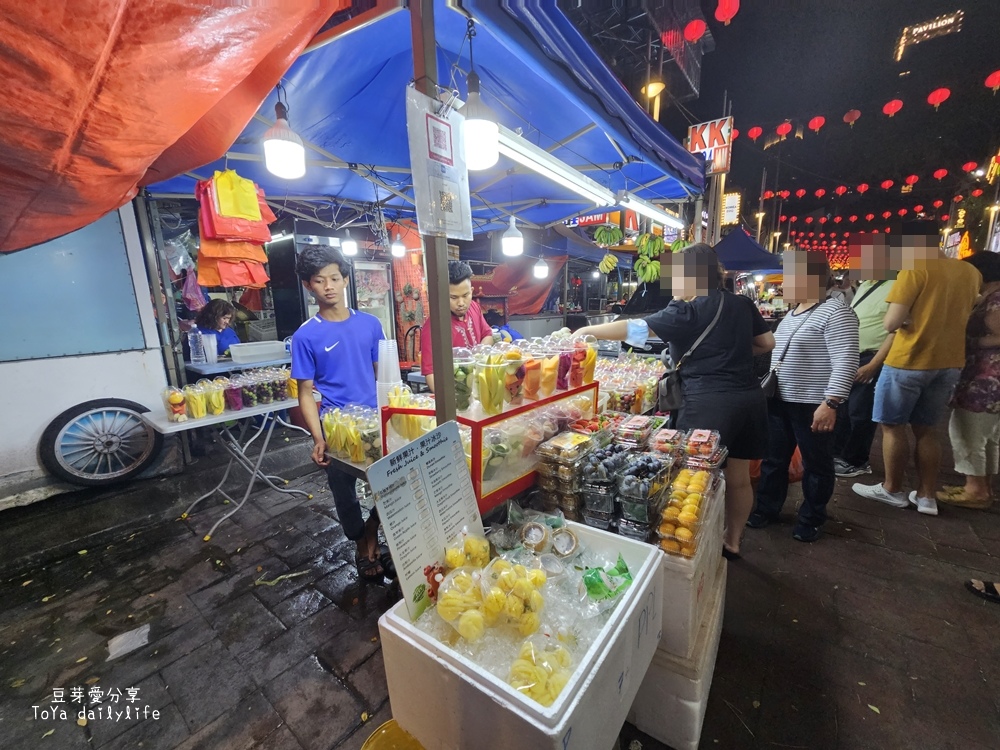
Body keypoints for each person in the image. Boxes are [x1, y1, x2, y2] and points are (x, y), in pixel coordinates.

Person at [576, 243, 776, 559]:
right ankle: (733, 541)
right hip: (750, 401)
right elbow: (767, 343)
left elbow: (636, 329)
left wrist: (589, 330)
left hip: (708, 405)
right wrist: (730, 354)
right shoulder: (741, 304)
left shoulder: (688, 310)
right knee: (738, 479)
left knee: (691, 481)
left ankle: (689, 548)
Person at [853, 231, 982, 516]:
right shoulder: (969, 271)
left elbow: (891, 323)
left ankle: (891, 489)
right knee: (927, 430)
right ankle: (926, 497)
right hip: (948, 362)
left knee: (892, 426)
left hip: (908, 361)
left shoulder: (913, 271)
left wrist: (908, 315)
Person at [291, 246, 391, 581]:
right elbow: (305, 393)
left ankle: (374, 528)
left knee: (390, 483)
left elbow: (385, 378)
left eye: (335, 278)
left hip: (376, 425)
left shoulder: (371, 325)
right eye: (320, 281)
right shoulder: (306, 335)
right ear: (309, 286)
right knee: (343, 492)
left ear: (346, 279)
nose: (329, 286)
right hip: (337, 430)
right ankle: (360, 539)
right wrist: (318, 437)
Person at [747, 251, 859, 543]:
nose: (783, 283)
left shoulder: (837, 312)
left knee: (816, 464)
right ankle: (767, 508)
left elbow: (846, 360)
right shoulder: (792, 314)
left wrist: (831, 403)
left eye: (790, 277)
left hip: (813, 404)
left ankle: (812, 517)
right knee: (774, 459)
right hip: (779, 400)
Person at [936, 252, 1000, 509]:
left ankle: (975, 490)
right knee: (988, 434)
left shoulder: (995, 301)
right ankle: (982, 488)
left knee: (968, 431)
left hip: (986, 380)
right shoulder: (990, 298)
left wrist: (970, 342)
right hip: (987, 379)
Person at [833, 238, 897, 477]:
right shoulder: (867, 285)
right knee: (844, 408)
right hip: (852, 355)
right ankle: (838, 455)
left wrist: (873, 365)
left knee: (861, 412)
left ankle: (856, 461)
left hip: (871, 358)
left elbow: (897, 331)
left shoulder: (896, 285)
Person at [420, 260, 494, 391]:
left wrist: (477, 355)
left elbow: (487, 335)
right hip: (455, 390)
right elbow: (431, 373)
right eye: (453, 297)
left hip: (479, 385)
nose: (461, 303)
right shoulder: (433, 328)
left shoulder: (474, 308)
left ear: (471, 290)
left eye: (465, 295)